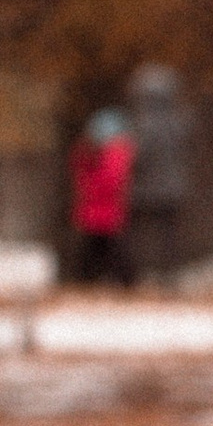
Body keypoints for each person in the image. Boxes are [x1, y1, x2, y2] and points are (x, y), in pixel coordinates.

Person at [125, 65, 193, 281]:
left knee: (139, 234)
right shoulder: (179, 122)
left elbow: (138, 157)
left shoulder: (144, 125)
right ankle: (168, 274)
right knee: (168, 235)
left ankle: (139, 274)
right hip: (172, 188)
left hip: (145, 189)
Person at [68, 105, 135, 288]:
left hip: (107, 212)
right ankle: (90, 281)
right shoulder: (97, 154)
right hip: (98, 212)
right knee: (97, 251)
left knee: (108, 252)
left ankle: (118, 282)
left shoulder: (115, 154)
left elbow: (109, 183)